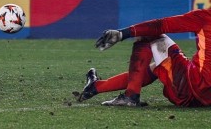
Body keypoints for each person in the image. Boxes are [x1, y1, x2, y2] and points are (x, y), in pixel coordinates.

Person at [78, 8, 211, 107]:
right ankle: (96, 87)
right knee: (157, 67)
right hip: (207, 98)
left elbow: (161, 25)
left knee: (146, 34)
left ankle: (130, 97)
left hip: (191, 90)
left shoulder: (205, 17)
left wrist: (122, 34)